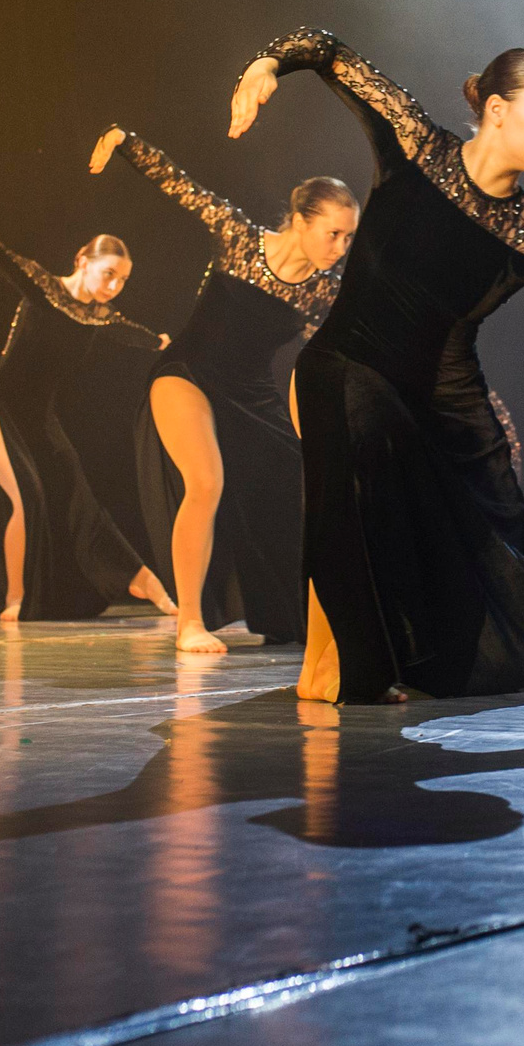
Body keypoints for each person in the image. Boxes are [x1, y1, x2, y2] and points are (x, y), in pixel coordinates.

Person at [228, 30, 524, 704]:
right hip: (344, 365)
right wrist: (268, 61)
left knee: (504, 558)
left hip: (445, 406)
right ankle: (342, 668)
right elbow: (334, 52)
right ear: (495, 108)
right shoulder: (414, 146)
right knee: (338, 443)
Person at [91, 126, 356, 653]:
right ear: (301, 221)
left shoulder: (324, 292)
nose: (341, 247)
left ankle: (293, 614)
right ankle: (190, 621)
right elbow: (179, 184)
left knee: (301, 483)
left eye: (349, 237)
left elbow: (348, 351)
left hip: (252, 395)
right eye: (333, 234)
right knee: (206, 481)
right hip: (187, 373)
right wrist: (124, 141)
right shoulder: (240, 238)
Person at [0, 154, 179, 622]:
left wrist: (165, 344)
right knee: (27, 494)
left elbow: (134, 334)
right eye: (109, 275)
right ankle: (16, 599)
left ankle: (156, 593)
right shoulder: (42, 285)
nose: (114, 286)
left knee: (83, 504)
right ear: (82, 261)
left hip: (39, 420)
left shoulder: (100, 315)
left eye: (122, 280)